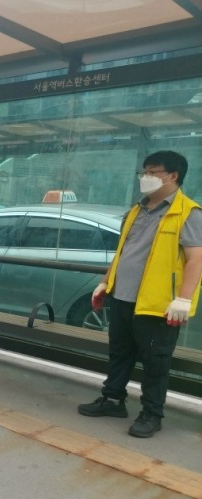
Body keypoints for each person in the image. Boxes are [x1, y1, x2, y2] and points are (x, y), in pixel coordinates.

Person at [78, 151, 202, 438]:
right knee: (119, 353)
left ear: (173, 176)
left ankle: (152, 414)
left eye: (153, 172)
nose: (145, 178)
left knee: (155, 362)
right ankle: (112, 400)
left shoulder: (188, 213)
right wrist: (105, 283)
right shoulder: (136, 210)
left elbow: (196, 259)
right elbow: (124, 252)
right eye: (144, 172)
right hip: (122, 297)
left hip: (158, 306)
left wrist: (183, 298)